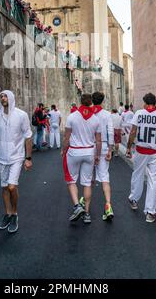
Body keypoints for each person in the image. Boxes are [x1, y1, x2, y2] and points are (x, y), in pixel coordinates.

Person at [0, 90, 33, 234]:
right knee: (5, 187)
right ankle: (8, 214)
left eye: (5, 96)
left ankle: (15, 214)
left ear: (11, 98)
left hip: (17, 156)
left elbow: (28, 136)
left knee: (12, 187)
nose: (3, 98)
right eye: (1, 96)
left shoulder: (21, 115)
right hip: (2, 158)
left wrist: (28, 158)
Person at [126, 93, 156, 223]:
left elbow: (133, 132)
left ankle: (134, 199)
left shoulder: (139, 113)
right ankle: (150, 212)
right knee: (154, 181)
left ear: (145, 102)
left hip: (140, 150)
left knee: (137, 174)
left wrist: (129, 147)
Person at [62, 94, 102, 224]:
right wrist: (97, 155)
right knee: (86, 183)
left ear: (80, 102)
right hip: (89, 151)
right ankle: (87, 214)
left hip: (74, 151)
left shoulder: (72, 117)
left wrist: (63, 150)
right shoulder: (96, 119)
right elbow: (98, 140)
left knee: (71, 180)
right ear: (91, 103)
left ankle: (77, 205)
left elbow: (66, 137)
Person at [91, 92, 115, 221]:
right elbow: (110, 132)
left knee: (88, 176)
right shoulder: (106, 115)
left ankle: (84, 202)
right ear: (102, 101)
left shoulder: (88, 113)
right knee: (105, 176)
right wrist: (110, 149)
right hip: (104, 145)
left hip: (90, 146)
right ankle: (108, 204)